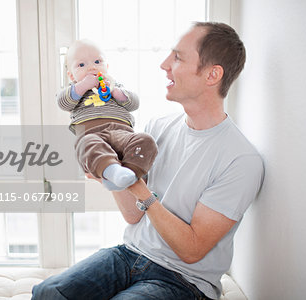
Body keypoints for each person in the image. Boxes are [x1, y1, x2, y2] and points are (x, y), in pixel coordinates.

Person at [32, 22, 264, 300]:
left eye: (178, 57)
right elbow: (133, 215)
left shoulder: (241, 160)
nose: (164, 64)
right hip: (130, 254)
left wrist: (138, 187)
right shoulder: (158, 126)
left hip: (185, 280)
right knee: (48, 292)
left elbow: (191, 250)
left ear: (212, 74)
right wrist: (110, 174)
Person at [57, 39, 158, 191]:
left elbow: (134, 103)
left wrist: (115, 91)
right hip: (91, 135)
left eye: (97, 61)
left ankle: (127, 174)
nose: (92, 67)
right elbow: (63, 102)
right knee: (87, 145)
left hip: (121, 133)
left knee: (146, 140)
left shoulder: (114, 86)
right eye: (81, 65)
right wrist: (84, 85)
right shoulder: (74, 90)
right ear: (71, 76)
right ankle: (111, 171)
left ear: (107, 67)